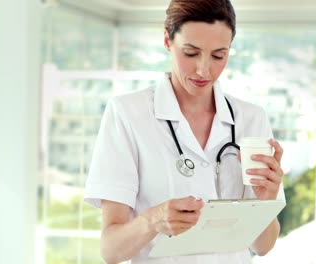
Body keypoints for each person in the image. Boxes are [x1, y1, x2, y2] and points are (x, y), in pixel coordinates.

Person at [84, 0, 285, 263]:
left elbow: (263, 246)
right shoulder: (127, 114)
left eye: (218, 55)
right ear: (167, 40)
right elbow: (111, 251)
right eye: (190, 53)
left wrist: (266, 201)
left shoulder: (251, 119)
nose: (204, 69)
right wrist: (153, 220)